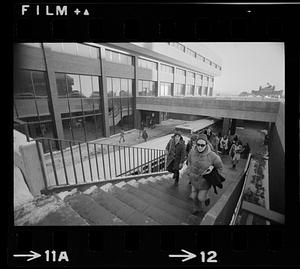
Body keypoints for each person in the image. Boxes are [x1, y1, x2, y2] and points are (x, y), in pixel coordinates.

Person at [185, 134, 223, 214]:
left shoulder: (212, 155)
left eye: (202, 145)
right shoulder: (192, 151)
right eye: (198, 144)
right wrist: (189, 171)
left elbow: (220, 167)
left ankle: (206, 197)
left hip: (204, 182)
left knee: (200, 198)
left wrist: (212, 172)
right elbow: (189, 161)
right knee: (194, 196)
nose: (200, 147)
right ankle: (196, 209)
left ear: (206, 144)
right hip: (193, 180)